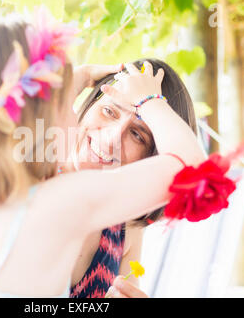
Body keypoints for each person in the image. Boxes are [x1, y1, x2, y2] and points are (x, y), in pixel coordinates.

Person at [0, 9, 205, 297]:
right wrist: (151, 103)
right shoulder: (68, 200)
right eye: (105, 111)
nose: (74, 112)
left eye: (137, 133)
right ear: (43, 118)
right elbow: (191, 170)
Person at [64, 59, 198, 298]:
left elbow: (193, 175)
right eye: (108, 111)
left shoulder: (123, 229)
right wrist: (79, 77)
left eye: (137, 134)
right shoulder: (28, 179)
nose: (112, 138)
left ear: (152, 157)